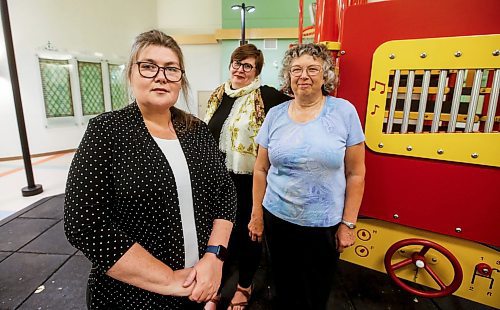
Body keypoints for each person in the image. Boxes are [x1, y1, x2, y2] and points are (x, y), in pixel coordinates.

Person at [64, 30, 237, 309]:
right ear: (131, 73)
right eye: (148, 66)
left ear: (181, 79)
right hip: (130, 295)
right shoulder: (107, 131)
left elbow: (225, 194)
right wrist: (169, 280)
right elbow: (85, 225)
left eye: (171, 69)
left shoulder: (197, 131)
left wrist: (214, 258)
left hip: (198, 287)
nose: (161, 76)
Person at [249, 43, 366, 309]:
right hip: (277, 219)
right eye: (296, 69)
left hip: (323, 225)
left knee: (316, 290)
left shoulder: (343, 112)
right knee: (282, 285)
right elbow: (260, 168)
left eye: (312, 69)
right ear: (288, 76)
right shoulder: (275, 115)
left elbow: (356, 173)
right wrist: (257, 215)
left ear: (325, 75)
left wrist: (348, 224)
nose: (304, 75)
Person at [203, 44, 290, 309]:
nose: (240, 70)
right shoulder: (219, 93)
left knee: (249, 234)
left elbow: (299, 106)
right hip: (218, 180)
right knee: (220, 234)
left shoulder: (267, 96)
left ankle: (244, 286)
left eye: (247, 66)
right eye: (236, 63)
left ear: (257, 71)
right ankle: (216, 284)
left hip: (249, 182)